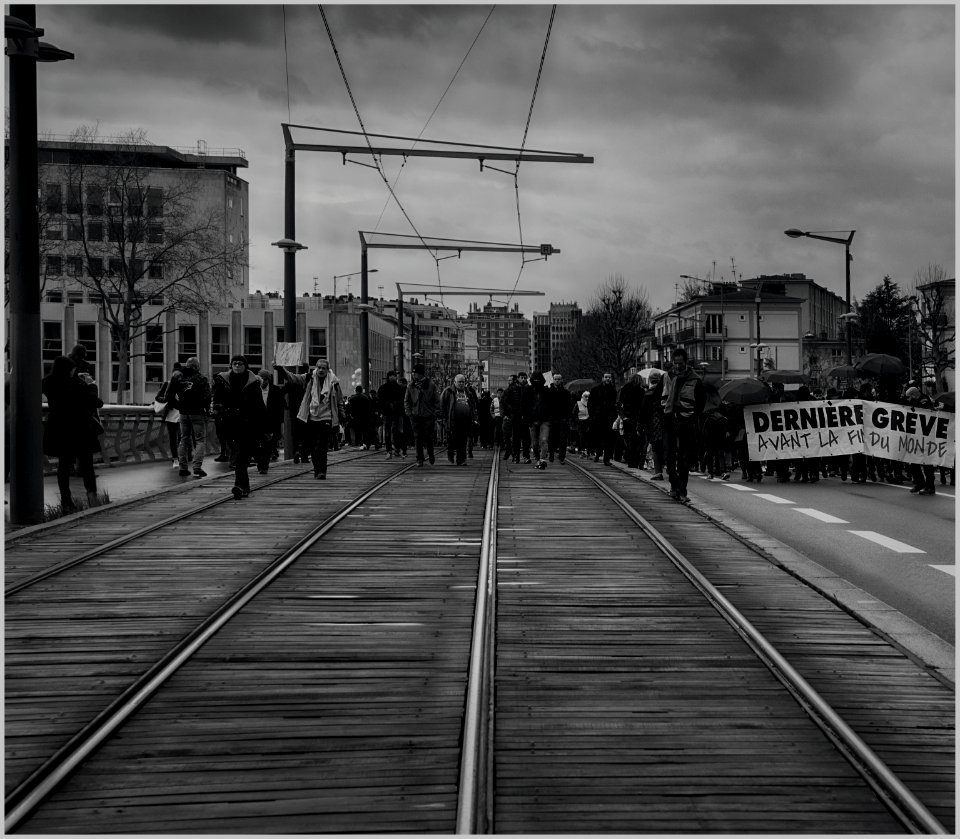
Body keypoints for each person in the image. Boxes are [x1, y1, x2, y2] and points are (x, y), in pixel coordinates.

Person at [42, 355, 103, 512]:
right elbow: (94, 402)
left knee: (64, 466)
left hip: (60, 429)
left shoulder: (48, 383)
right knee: (87, 464)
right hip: (80, 429)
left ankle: (66, 501)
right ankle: (92, 496)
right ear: (69, 370)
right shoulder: (78, 385)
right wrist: (91, 385)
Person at [276, 358, 346, 480]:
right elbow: (293, 378)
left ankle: (321, 471)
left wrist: (342, 416)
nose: (321, 370)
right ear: (316, 368)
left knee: (322, 445)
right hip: (311, 417)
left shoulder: (334, 382)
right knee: (313, 445)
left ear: (327, 370)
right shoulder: (309, 378)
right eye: (319, 367)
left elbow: (339, 401)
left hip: (326, 417)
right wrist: (280, 369)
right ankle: (317, 469)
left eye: (324, 368)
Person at [661, 348, 705, 503]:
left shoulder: (695, 380)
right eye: (675, 363)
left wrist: (693, 417)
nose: (678, 366)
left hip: (687, 421)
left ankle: (682, 490)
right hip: (670, 420)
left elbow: (700, 402)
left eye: (680, 363)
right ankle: (674, 485)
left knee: (684, 457)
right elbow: (663, 398)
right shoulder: (667, 376)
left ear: (686, 362)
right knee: (669, 456)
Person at [166, 356, 211, 478]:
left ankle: (183, 468)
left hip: (183, 413)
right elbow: (207, 397)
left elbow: (168, 396)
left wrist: (180, 406)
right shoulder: (201, 379)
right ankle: (197, 467)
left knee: (184, 440)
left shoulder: (177, 377)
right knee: (200, 440)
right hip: (198, 413)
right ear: (197, 367)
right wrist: (206, 410)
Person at [404, 363, 440, 466]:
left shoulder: (430, 385)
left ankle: (431, 454)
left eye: (415, 373)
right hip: (416, 415)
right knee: (418, 437)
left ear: (420, 374)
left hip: (428, 415)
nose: (413, 375)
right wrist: (409, 412)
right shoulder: (411, 386)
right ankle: (419, 458)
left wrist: (435, 411)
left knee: (428, 436)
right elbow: (407, 400)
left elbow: (436, 399)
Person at [903, 386, 937, 496]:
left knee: (927, 462)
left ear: (914, 395)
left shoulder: (924, 401)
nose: (908, 399)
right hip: (916, 436)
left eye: (909, 397)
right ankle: (920, 483)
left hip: (925, 437)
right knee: (914, 461)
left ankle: (930, 486)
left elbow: (923, 415)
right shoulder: (916, 401)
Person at [255, 369, 286, 473]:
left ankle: (264, 466)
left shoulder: (276, 391)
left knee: (268, 445)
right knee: (258, 445)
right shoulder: (253, 390)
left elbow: (281, 408)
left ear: (268, 380)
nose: (262, 381)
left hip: (272, 422)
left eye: (265, 379)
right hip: (258, 421)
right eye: (260, 379)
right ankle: (260, 463)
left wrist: (280, 424)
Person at [445, 374, 478, 466]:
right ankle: (451, 454)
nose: (461, 384)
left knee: (463, 440)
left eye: (463, 382)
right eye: (459, 382)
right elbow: (442, 404)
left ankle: (461, 459)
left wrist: (474, 418)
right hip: (453, 420)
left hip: (465, 420)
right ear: (454, 382)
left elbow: (473, 406)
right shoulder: (448, 391)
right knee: (452, 440)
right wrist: (443, 417)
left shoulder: (468, 392)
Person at [524, 370, 554, 469]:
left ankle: (542, 459)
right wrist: (527, 418)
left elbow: (551, 406)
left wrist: (550, 418)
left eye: (538, 380)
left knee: (544, 440)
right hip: (532, 420)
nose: (537, 382)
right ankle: (538, 459)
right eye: (535, 380)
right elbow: (523, 405)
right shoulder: (527, 391)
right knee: (534, 443)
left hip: (545, 420)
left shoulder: (547, 391)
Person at [617, 371, 646, 469]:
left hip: (627, 417)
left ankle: (629, 460)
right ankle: (635, 461)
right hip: (637, 418)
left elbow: (619, 403)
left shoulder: (624, 389)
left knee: (628, 439)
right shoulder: (641, 391)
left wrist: (622, 415)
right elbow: (642, 406)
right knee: (637, 441)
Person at [588, 372, 619, 465]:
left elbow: (614, 405)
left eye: (609, 377)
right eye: (606, 377)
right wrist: (592, 415)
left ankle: (606, 459)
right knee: (598, 437)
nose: (608, 379)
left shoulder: (613, 391)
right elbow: (590, 404)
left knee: (609, 439)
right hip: (598, 418)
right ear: (602, 378)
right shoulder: (595, 390)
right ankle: (598, 453)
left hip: (609, 418)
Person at [640, 372, 666, 479]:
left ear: (650, 380)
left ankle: (658, 471)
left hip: (653, 424)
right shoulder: (665, 392)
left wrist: (641, 425)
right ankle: (668, 465)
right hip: (665, 422)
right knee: (667, 445)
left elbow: (643, 412)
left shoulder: (648, 394)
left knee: (655, 447)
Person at [378, 370, 407, 459]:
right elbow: (402, 400)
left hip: (390, 413)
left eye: (393, 375)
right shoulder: (400, 388)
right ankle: (393, 449)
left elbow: (380, 401)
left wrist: (386, 406)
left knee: (391, 431)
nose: (392, 377)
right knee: (394, 431)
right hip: (395, 412)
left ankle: (391, 450)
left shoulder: (383, 388)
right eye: (391, 376)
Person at [503, 371, 531, 464]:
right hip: (516, 417)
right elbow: (505, 402)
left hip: (525, 417)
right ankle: (516, 456)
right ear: (518, 378)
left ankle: (526, 456)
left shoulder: (529, 389)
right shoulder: (512, 388)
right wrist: (510, 412)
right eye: (521, 377)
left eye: (525, 377)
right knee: (516, 438)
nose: (523, 379)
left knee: (526, 438)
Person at [548, 374, 576, 464]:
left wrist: (567, 417)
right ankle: (551, 454)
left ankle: (561, 457)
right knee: (552, 438)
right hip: (552, 418)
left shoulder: (566, 393)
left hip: (562, 419)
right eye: (555, 379)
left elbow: (569, 406)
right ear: (553, 380)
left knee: (563, 439)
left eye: (559, 379)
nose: (557, 381)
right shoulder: (548, 392)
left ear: (561, 380)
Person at [575, 390, 591, 457]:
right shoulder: (578, 404)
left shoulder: (590, 404)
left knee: (588, 437)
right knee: (582, 437)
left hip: (588, 422)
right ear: (582, 396)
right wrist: (577, 420)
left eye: (588, 396)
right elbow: (574, 413)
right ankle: (582, 450)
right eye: (585, 396)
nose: (587, 398)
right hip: (580, 422)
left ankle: (588, 451)